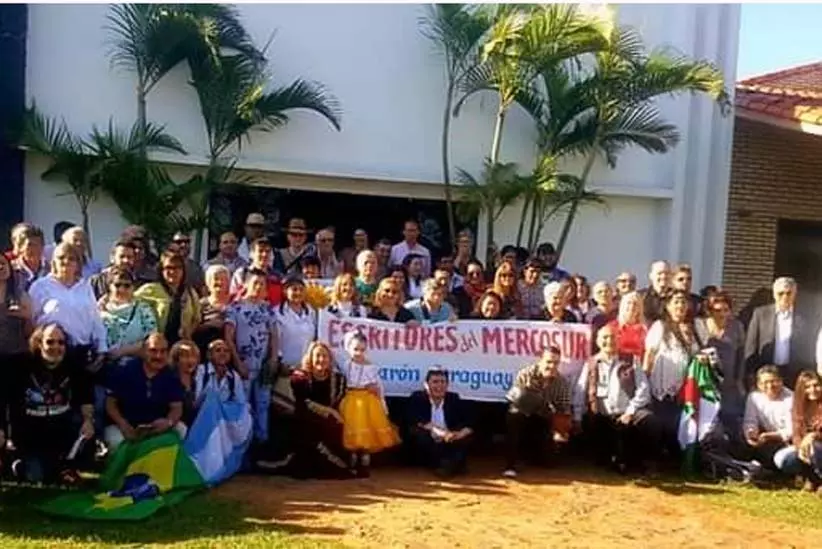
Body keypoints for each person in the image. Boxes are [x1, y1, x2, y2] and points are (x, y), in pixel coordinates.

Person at [0, 324, 94, 485]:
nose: (56, 347)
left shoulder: (74, 366)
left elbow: (86, 398)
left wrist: (88, 420)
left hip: (60, 433)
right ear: (39, 343)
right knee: (34, 476)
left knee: (87, 429)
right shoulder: (18, 365)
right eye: (50, 342)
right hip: (27, 434)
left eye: (61, 342)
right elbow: (2, 399)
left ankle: (67, 466)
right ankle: (13, 461)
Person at [259, 341, 354, 479]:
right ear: (310, 358)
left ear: (330, 359)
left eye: (325, 356)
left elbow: (340, 403)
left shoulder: (338, 380)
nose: (321, 359)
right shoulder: (301, 377)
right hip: (305, 421)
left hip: (327, 423)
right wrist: (331, 412)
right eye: (317, 356)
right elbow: (305, 403)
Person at [576, 325, 659, 474]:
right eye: (605, 337)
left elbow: (644, 389)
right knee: (608, 458)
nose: (609, 341)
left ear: (619, 339)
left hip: (627, 413)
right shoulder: (591, 363)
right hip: (602, 417)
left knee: (649, 421)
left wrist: (630, 412)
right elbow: (580, 391)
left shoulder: (631, 360)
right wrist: (577, 417)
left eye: (613, 337)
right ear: (597, 341)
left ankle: (647, 462)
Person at [29, 242, 108, 372]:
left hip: (81, 352)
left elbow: (95, 319)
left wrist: (101, 350)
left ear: (78, 264)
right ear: (53, 262)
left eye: (71, 258)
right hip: (52, 352)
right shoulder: (40, 286)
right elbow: (30, 320)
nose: (66, 261)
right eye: (61, 257)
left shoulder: (85, 287)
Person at [103, 333, 187, 452]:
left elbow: (177, 407)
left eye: (163, 351)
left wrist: (168, 422)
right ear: (143, 351)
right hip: (125, 425)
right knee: (116, 442)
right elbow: (110, 403)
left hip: (157, 427)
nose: (158, 356)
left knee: (181, 429)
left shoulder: (172, 375)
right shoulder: (124, 370)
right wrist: (123, 424)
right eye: (153, 351)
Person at [503, 346, 572, 478]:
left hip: (545, 418)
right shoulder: (526, 374)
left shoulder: (562, 382)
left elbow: (564, 408)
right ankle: (511, 463)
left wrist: (560, 429)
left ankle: (535, 455)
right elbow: (515, 399)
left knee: (551, 461)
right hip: (523, 414)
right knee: (513, 416)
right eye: (548, 362)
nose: (552, 366)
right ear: (540, 360)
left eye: (556, 363)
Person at [226, 268, 278, 443]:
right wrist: (237, 362)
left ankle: (262, 443)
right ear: (246, 284)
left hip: (263, 365)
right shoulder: (235, 308)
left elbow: (274, 335)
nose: (258, 287)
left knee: (263, 405)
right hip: (243, 366)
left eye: (262, 284)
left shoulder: (267, 309)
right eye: (255, 283)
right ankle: (243, 444)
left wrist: (273, 359)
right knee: (243, 405)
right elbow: (228, 337)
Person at [339, 331, 401, 477]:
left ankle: (365, 462)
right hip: (351, 400)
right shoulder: (346, 365)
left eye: (362, 349)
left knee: (366, 429)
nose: (358, 353)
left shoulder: (371, 367)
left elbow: (379, 388)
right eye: (355, 349)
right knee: (352, 428)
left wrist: (383, 407)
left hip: (367, 402)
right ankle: (352, 460)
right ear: (348, 349)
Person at [406, 367, 473, 478]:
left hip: (449, 441)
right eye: (435, 382)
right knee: (418, 434)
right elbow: (417, 420)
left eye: (443, 382)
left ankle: (447, 466)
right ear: (426, 385)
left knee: (465, 439)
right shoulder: (418, 397)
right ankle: (449, 465)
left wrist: (459, 434)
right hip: (430, 441)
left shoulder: (453, 398)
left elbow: (468, 422)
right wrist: (441, 433)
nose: (439, 386)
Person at [745, 277, 809, 389]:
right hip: (766, 374)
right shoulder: (761, 314)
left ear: (795, 294)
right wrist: (751, 374)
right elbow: (751, 346)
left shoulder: (805, 316)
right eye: (781, 293)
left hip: (793, 374)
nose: (785, 297)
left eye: (789, 293)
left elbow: (808, 347)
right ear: (774, 295)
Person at [134, 250, 201, 345]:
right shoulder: (150, 289)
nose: (173, 271)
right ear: (161, 270)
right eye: (168, 267)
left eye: (177, 267)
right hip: (156, 345)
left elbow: (197, 318)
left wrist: (188, 332)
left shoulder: (190, 293)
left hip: (180, 344)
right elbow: (130, 304)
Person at [774, 371, 822, 491]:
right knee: (785, 460)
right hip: (807, 448)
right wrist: (800, 447)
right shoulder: (798, 406)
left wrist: (814, 435)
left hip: (818, 446)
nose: (812, 390)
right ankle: (812, 478)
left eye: (816, 385)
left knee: (814, 447)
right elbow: (796, 433)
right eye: (807, 387)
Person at [741, 365, 794, 472]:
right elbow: (750, 420)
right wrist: (751, 433)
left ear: (781, 381)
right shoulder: (754, 397)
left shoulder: (791, 398)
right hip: (764, 439)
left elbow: (791, 431)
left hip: (787, 442)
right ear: (759, 384)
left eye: (773, 381)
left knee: (785, 460)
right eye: (765, 382)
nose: (770, 386)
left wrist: (769, 436)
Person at [99, 267, 158, 362]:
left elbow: (152, 338)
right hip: (105, 363)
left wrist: (124, 351)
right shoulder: (98, 310)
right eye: (117, 285)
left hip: (136, 363)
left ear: (133, 287)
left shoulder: (143, 309)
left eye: (127, 285)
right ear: (109, 286)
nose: (122, 289)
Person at [193, 339, 247, 409]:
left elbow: (241, 402)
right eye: (218, 350)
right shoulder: (201, 371)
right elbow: (196, 400)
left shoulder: (234, 376)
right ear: (209, 355)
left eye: (226, 351)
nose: (222, 353)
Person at [192, 264, 232, 358]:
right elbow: (192, 328)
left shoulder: (235, 304)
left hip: (231, 352)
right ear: (208, 282)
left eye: (223, 279)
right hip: (206, 351)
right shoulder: (200, 304)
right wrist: (209, 325)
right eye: (216, 279)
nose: (219, 282)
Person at [230, 237, 284, 306]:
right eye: (260, 251)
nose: (264, 254)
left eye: (267, 251)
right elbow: (233, 297)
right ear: (251, 254)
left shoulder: (278, 276)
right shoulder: (242, 273)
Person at [0, 252, 32, 364]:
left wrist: (23, 315)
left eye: (3, 263)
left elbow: (29, 324)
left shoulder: (20, 295)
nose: (1, 267)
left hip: (17, 355)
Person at [608, 291, 647, 360]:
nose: (632, 306)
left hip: (638, 364)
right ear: (622, 306)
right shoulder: (612, 327)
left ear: (640, 308)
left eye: (635, 303)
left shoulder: (645, 329)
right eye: (629, 303)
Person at [10, 223, 48, 290]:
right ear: (19, 247)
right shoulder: (11, 270)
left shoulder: (52, 269)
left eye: (39, 243)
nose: (36, 248)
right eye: (30, 245)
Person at [170, 232, 206, 296]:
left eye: (187, 242)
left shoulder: (196, 268)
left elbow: (202, 291)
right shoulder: (163, 267)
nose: (183, 245)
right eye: (179, 242)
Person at [639, 260, 671, 326]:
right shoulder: (641, 296)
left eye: (667, 273)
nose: (663, 276)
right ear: (651, 276)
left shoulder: (675, 296)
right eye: (659, 273)